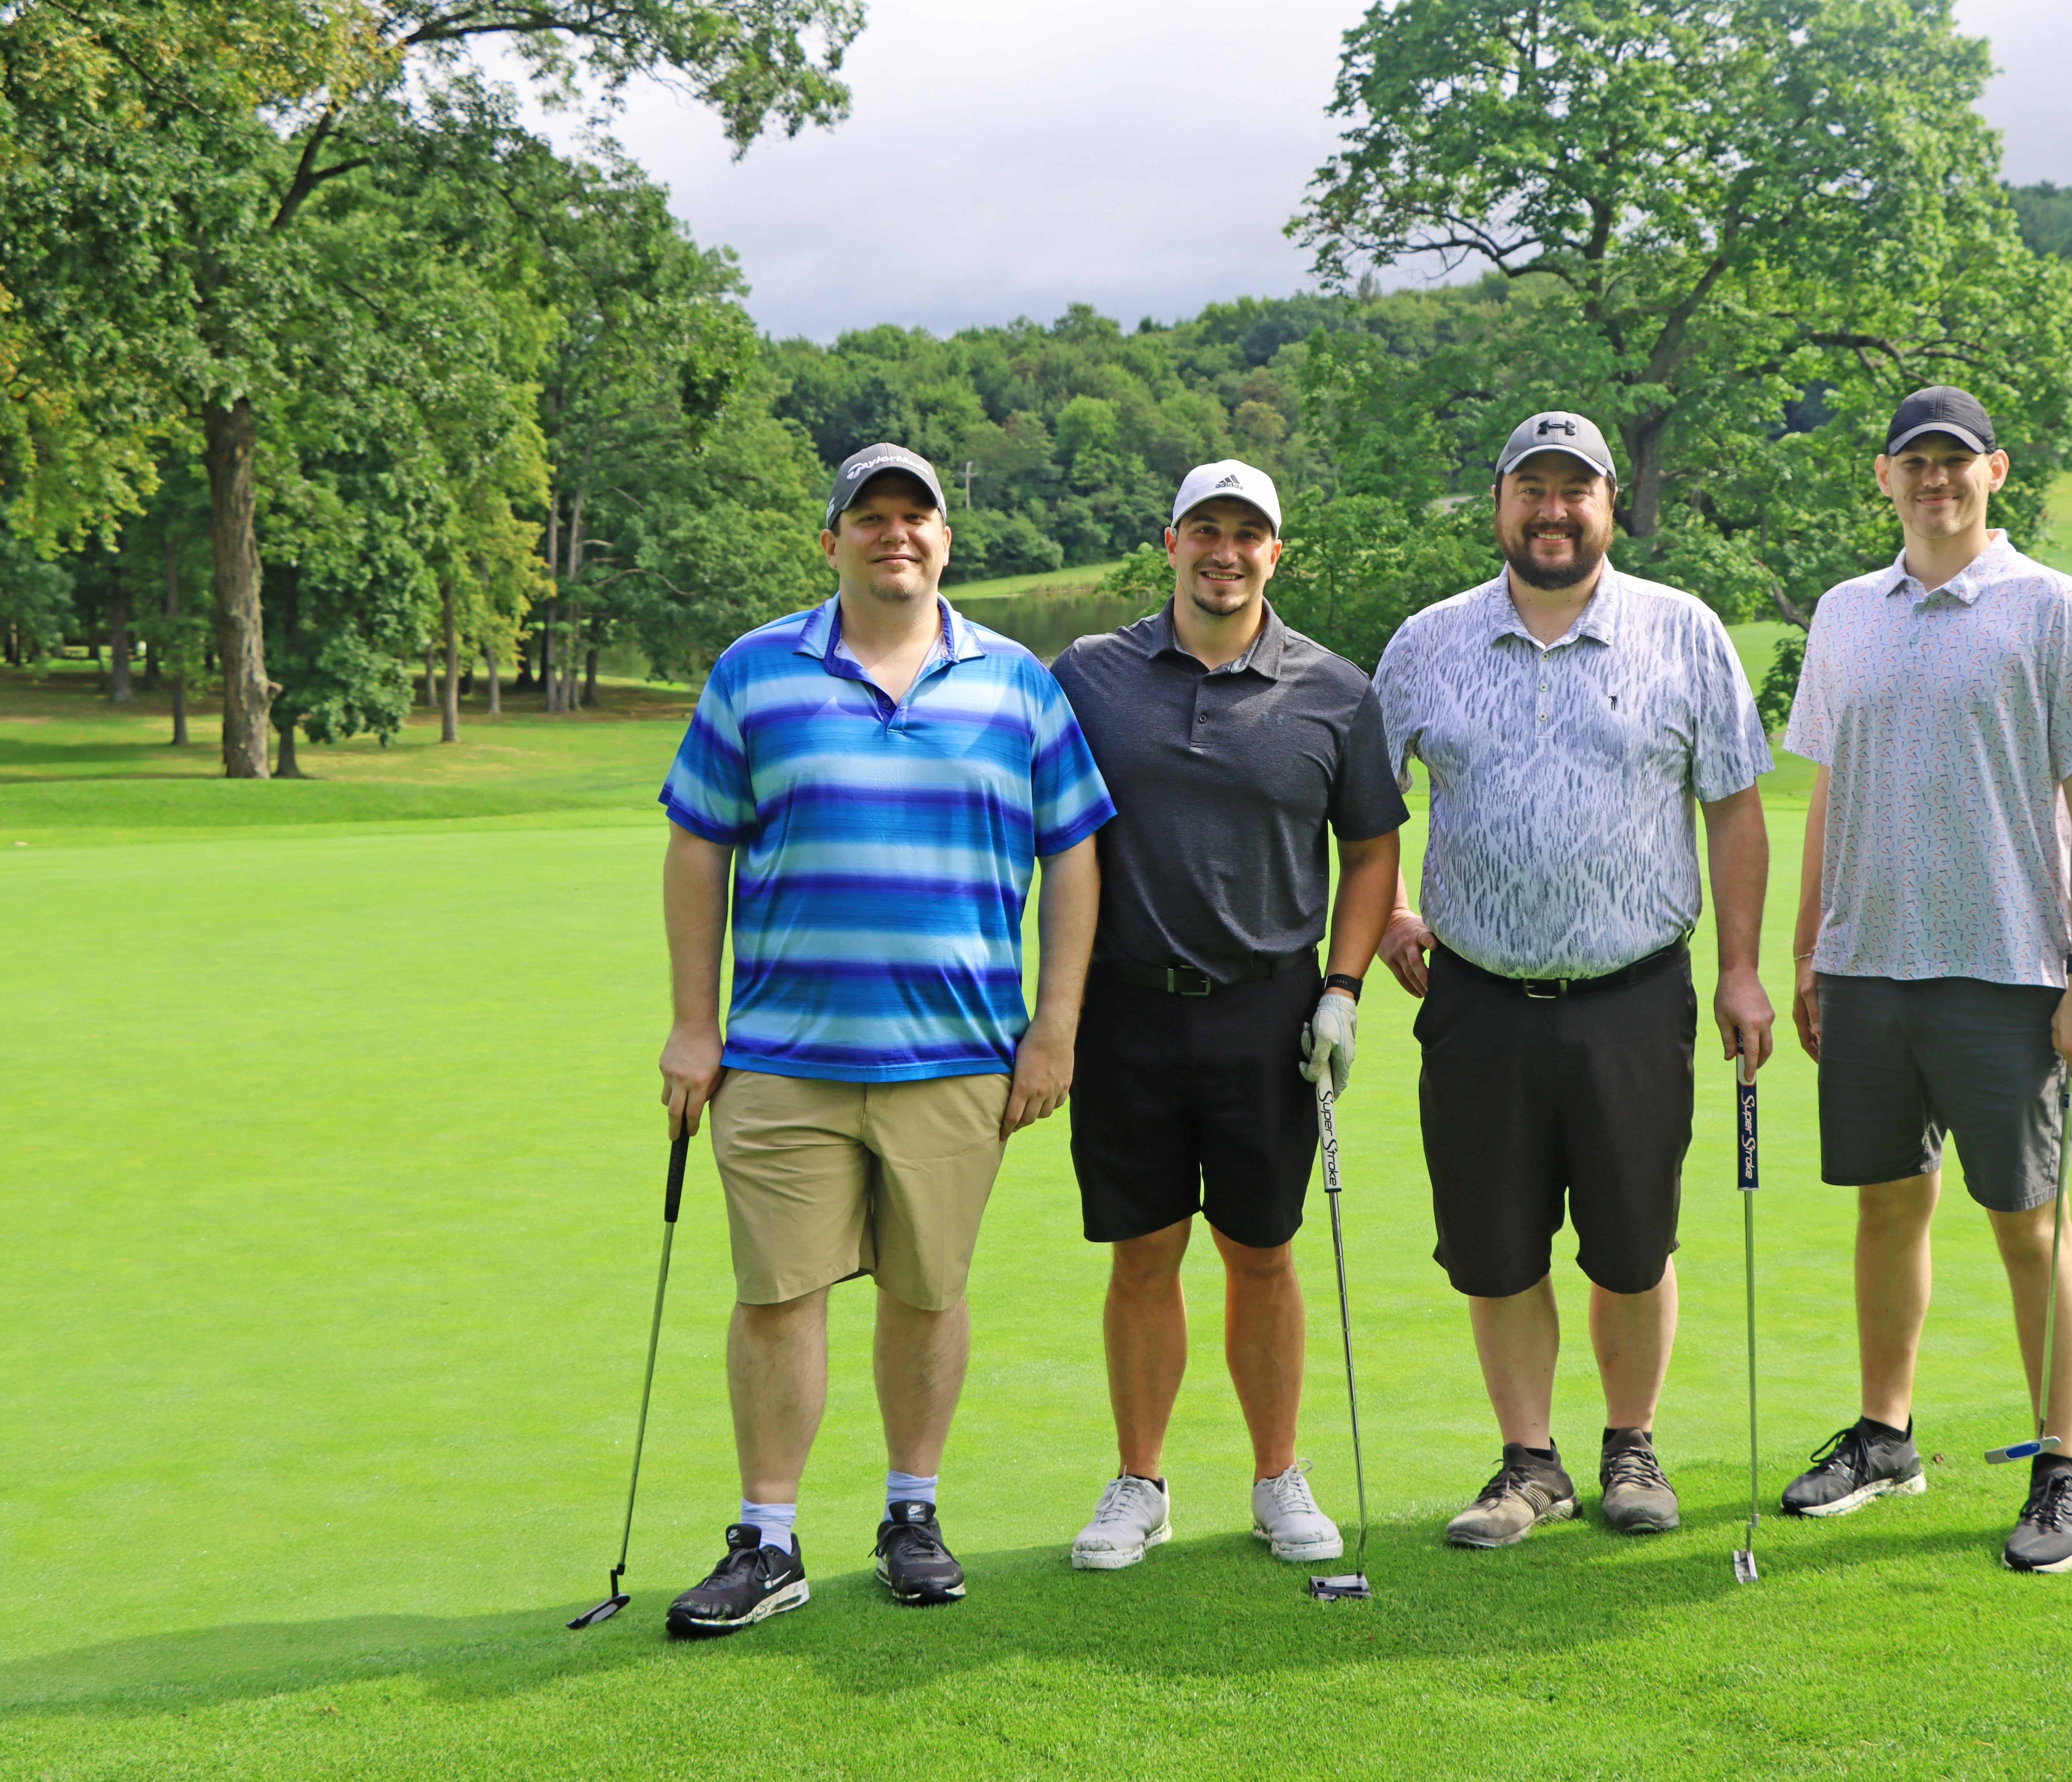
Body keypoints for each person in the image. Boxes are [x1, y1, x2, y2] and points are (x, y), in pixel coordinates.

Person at [651, 442, 1112, 1631]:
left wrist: (1053, 1027)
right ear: (833, 540)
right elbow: (699, 846)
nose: (894, 534)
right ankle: (769, 1542)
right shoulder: (756, 672)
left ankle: (913, 1514)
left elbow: (1074, 854)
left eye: (917, 517)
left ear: (946, 540)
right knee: (776, 1297)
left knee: (927, 1291)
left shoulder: (1017, 683)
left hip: (958, 1056)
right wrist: (693, 1027)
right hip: (780, 1057)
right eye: (871, 517)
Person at [1373, 412, 1777, 1548]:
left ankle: (1631, 1446)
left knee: (1633, 1244)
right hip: (1478, 1001)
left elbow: (1735, 806)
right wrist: (1398, 907)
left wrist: (1742, 971)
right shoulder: (1428, 642)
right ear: (1500, 502)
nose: (1553, 510)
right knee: (1496, 1249)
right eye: (1530, 489)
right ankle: (1528, 1463)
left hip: (1635, 996)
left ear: (1610, 503)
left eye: (1575, 490)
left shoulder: (1684, 632)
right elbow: (1366, 804)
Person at [1777, 385, 2072, 1575]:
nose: (1937, 480)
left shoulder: (2051, 607)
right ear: (1883, 477)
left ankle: (2061, 1462)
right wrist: (1808, 944)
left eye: (1957, 462)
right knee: (1887, 1205)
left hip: (2008, 969)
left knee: (2028, 1224)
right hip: (1869, 962)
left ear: (1997, 472)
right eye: (1916, 462)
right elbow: (1828, 778)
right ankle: (1886, 1435)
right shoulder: (1843, 613)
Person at [1048, 460, 1407, 1570]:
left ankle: (1276, 1477)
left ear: (1274, 555)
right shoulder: (1089, 676)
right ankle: (1140, 1483)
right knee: (1144, 1253)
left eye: (1248, 534)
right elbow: (1048, 836)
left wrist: (1343, 990)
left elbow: (1374, 849)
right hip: (1126, 1009)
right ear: (1169, 543)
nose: (1225, 550)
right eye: (1205, 529)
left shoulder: (1335, 689)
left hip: (1270, 1013)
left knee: (1263, 1252)